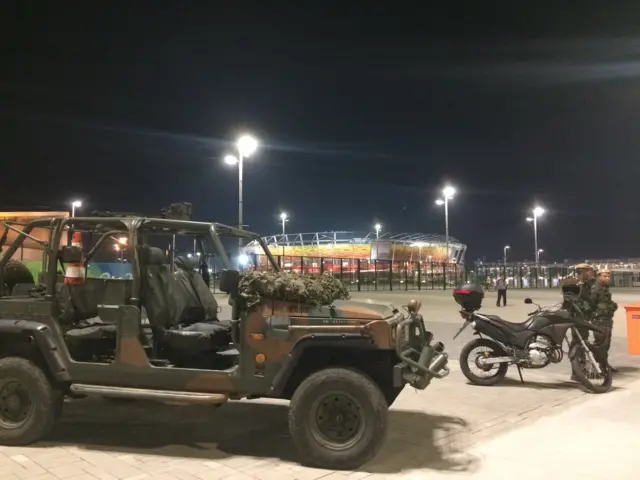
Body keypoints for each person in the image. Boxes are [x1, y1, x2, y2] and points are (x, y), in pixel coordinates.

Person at [569, 263, 596, 381]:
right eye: (588, 271)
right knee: (578, 343)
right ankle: (578, 371)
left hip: (583, 317)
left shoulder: (587, 284)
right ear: (582, 272)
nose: (591, 273)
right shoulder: (573, 284)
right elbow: (570, 301)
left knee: (581, 342)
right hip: (577, 318)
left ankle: (579, 370)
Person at [590, 268, 618, 373]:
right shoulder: (595, 288)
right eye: (605, 276)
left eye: (608, 276)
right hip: (599, 320)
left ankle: (604, 364)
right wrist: (595, 315)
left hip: (607, 319)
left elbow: (606, 302)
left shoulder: (604, 287)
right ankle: (596, 366)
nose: (607, 278)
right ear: (599, 276)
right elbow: (591, 304)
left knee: (606, 344)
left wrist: (612, 306)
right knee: (599, 343)